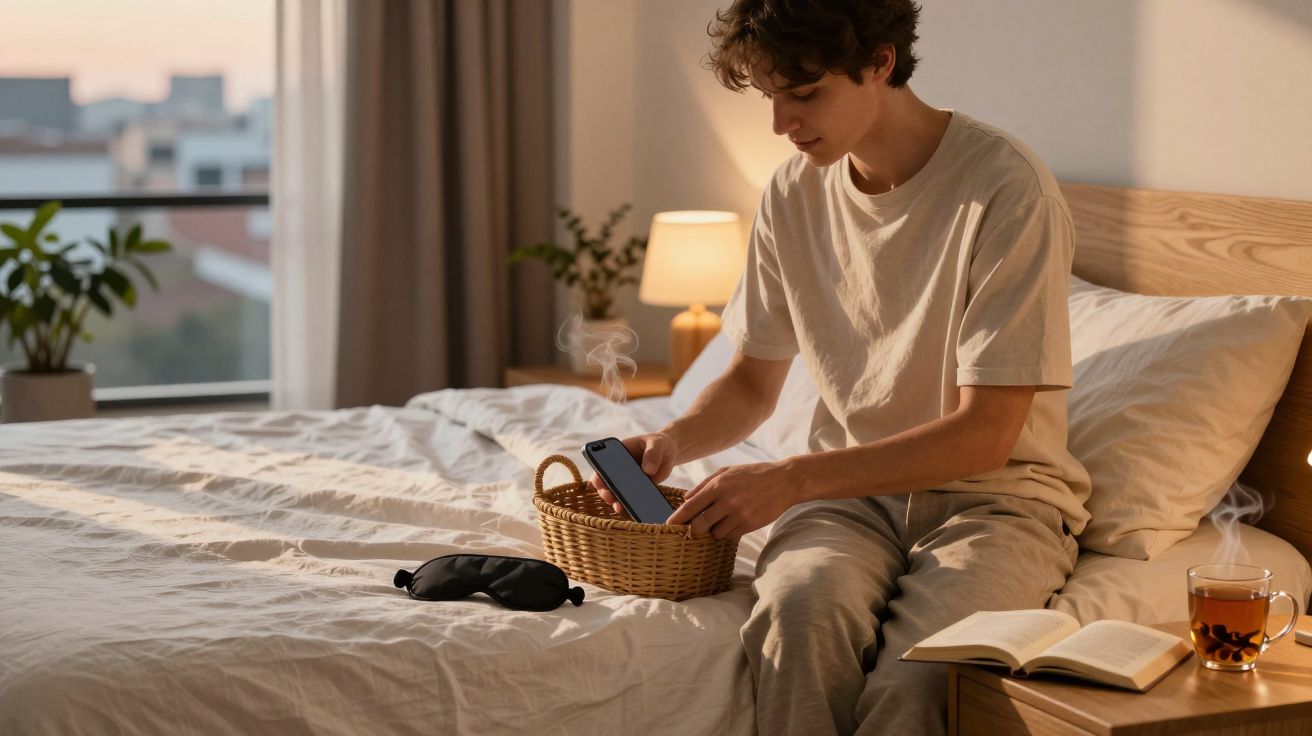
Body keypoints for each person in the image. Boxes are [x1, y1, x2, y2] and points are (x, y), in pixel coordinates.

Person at [588, 1, 1090, 733]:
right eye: (771, 97)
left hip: (995, 505)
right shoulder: (792, 194)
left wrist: (792, 479)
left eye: (804, 93)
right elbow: (752, 383)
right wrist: (673, 440)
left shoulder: (1005, 188)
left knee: (921, 680)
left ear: (879, 62)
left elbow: (986, 435)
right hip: (848, 500)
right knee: (797, 618)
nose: (780, 123)